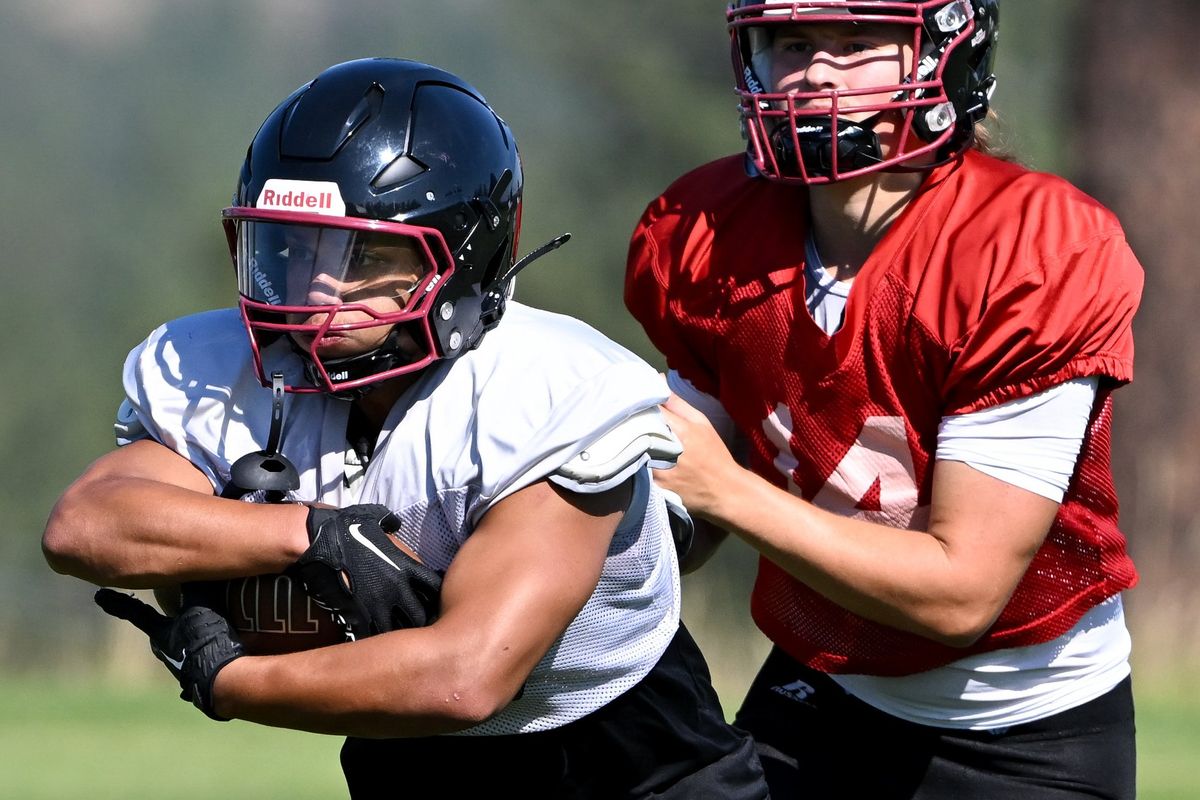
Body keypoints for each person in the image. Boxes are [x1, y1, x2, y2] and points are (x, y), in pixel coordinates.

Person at [43, 58, 769, 799]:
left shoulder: (548, 387)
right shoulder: (225, 364)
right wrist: (311, 535)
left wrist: (232, 684)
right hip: (405, 757)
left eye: (366, 256)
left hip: (629, 767)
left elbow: (465, 677)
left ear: (465, 259)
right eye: (292, 249)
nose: (317, 289)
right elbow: (84, 526)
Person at [625, 2, 1142, 798]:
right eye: (794, 42)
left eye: (859, 43)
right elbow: (678, 510)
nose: (819, 71)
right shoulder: (709, 231)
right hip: (820, 692)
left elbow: (959, 594)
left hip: (1021, 727)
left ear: (946, 53)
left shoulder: (1025, 247)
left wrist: (727, 494)